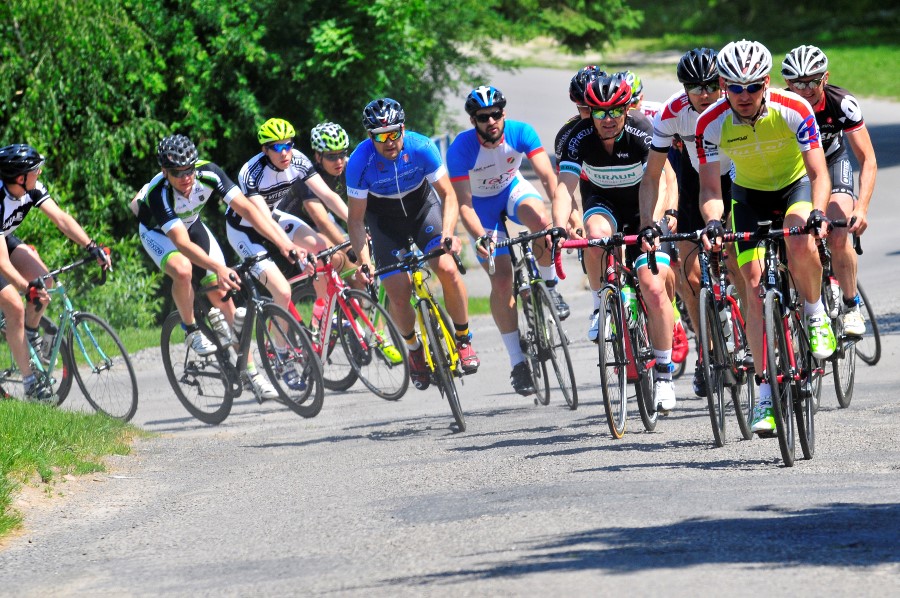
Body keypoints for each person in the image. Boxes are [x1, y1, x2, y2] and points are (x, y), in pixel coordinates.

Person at [696, 40, 835, 435]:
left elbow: (818, 173)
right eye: (735, 88)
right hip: (747, 198)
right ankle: (764, 396)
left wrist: (819, 212)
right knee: (754, 289)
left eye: (753, 86)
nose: (744, 95)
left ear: (767, 82)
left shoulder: (794, 108)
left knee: (799, 240)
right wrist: (713, 222)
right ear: (723, 86)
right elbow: (711, 189)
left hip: (795, 188)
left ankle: (814, 313)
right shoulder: (709, 123)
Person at [133, 134, 298, 400]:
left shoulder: (209, 173)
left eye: (189, 169)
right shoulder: (159, 193)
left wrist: (282, 242)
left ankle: (252, 375)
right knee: (183, 270)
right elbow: (182, 244)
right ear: (164, 172)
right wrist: (219, 268)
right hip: (159, 234)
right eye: (177, 173)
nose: (186, 177)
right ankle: (191, 329)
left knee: (224, 300)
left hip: (191, 225)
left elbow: (248, 210)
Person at [552, 73, 679, 412]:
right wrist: (558, 226)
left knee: (653, 288)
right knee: (595, 237)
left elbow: (659, 180)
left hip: (643, 205)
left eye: (615, 111)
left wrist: (653, 223)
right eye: (599, 112)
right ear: (589, 112)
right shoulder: (576, 136)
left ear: (626, 109)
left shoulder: (642, 130)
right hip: (603, 202)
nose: (607, 119)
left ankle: (664, 374)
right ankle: (601, 305)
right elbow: (565, 187)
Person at [347, 97, 479, 391]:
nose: (389, 142)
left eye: (394, 133)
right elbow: (355, 220)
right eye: (381, 137)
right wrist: (365, 261)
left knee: (447, 268)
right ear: (370, 137)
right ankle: (414, 349)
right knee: (397, 291)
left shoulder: (421, 147)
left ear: (403, 129)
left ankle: (463, 339)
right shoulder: (359, 162)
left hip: (422, 210)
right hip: (384, 222)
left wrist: (448, 233)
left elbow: (448, 195)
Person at [448, 85, 566, 395]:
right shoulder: (461, 149)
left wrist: (561, 217)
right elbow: (463, 204)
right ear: (473, 121)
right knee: (501, 281)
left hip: (513, 189)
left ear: (504, 114)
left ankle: (550, 288)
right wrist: (481, 237)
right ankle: (517, 362)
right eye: (483, 117)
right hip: (481, 208)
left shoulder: (520, 132)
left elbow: (547, 177)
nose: (491, 121)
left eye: (496, 114)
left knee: (541, 223)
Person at [640, 47, 738, 398]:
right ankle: (707, 353)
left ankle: (756, 333)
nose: (704, 94)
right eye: (695, 87)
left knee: (740, 261)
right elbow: (653, 175)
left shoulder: (736, 104)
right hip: (697, 179)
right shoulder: (672, 112)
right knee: (690, 273)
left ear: (722, 84)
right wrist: (648, 222)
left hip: (739, 175)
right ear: (684, 88)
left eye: (711, 85)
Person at [0, 144, 110, 402]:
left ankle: (28, 334)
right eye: (35, 170)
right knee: (15, 305)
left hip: (4, 237)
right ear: (20, 177)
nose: (39, 172)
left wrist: (91, 246)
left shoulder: (32, 188)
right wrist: (26, 288)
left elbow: (61, 219)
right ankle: (30, 384)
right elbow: (2, 263)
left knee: (45, 280)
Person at [781, 44, 877, 336]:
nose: (807, 89)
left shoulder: (841, 103)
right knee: (790, 238)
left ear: (826, 77)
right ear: (787, 84)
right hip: (796, 172)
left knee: (837, 233)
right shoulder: (779, 108)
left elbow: (867, 159)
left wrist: (861, 208)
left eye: (813, 81)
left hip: (833, 163)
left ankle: (851, 304)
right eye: (798, 83)